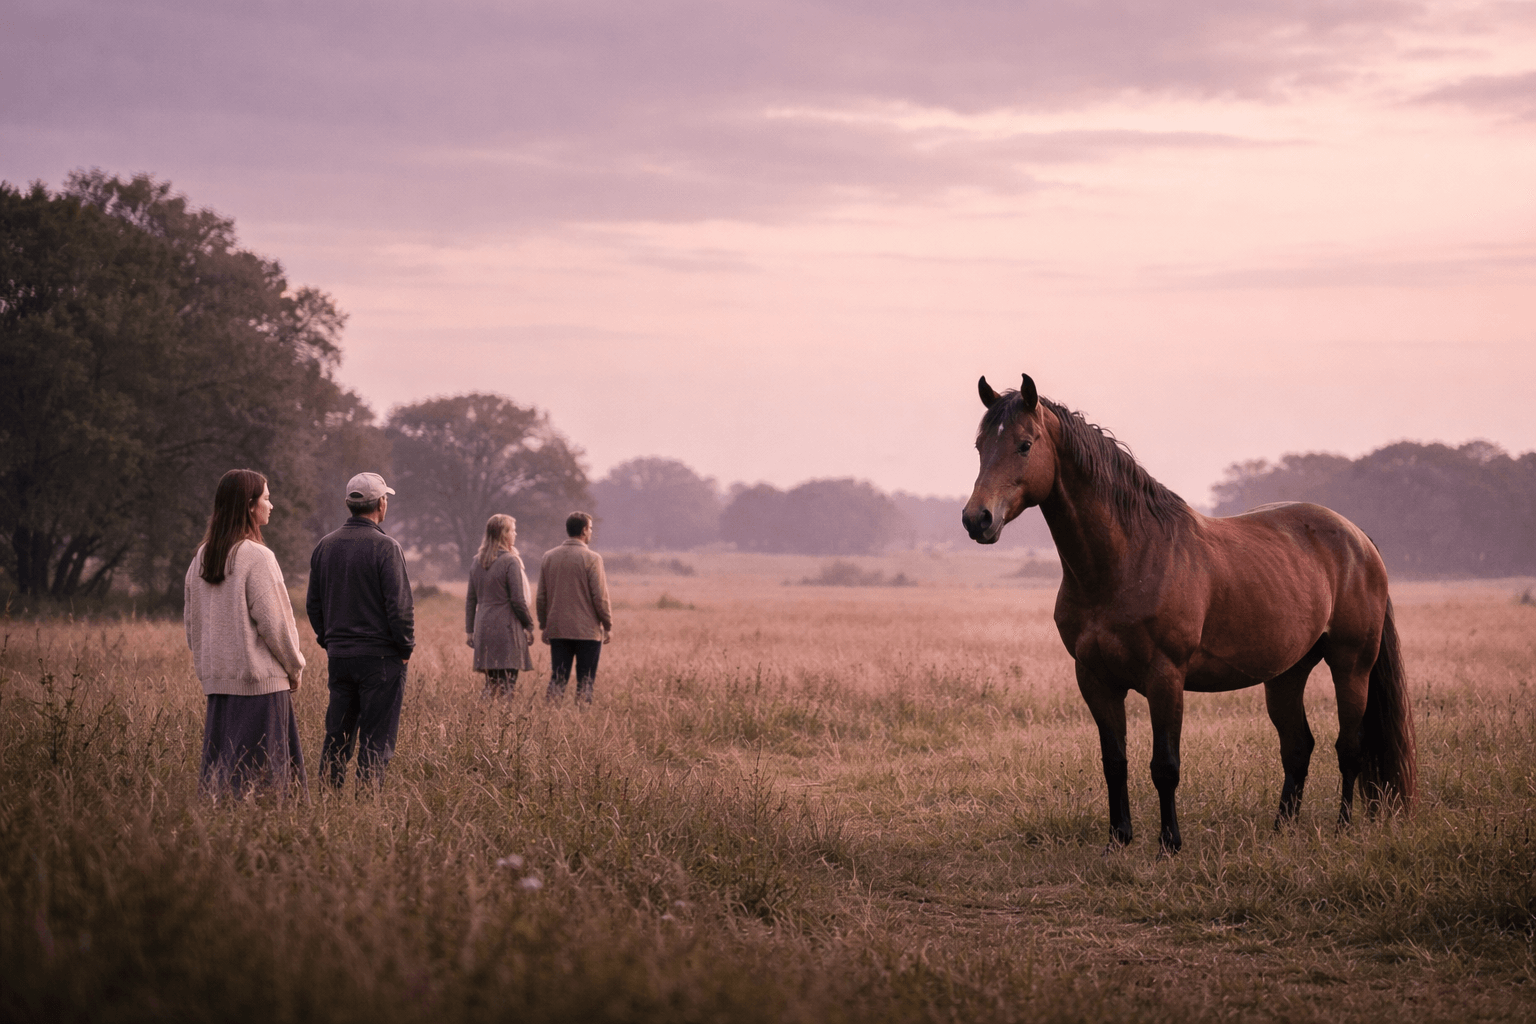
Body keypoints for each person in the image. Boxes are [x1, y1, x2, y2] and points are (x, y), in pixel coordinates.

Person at [184, 468, 307, 799]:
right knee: (264, 787)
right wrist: (294, 667)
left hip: (219, 689)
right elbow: (277, 625)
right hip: (260, 689)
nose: (271, 505)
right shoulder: (257, 556)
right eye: (266, 498)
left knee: (221, 786)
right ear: (250, 505)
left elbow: (192, 628)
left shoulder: (201, 557)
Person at [306, 472, 415, 788]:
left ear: (349, 504)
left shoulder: (325, 546)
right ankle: (368, 806)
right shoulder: (387, 547)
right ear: (381, 504)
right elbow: (400, 609)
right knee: (376, 740)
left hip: (340, 656)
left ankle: (329, 800)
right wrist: (405, 649)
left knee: (337, 734)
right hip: (381, 657)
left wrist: (329, 641)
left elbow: (314, 606)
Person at [536, 511, 613, 704]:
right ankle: (582, 717)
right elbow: (600, 597)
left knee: (558, 677)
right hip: (587, 631)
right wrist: (608, 625)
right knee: (586, 679)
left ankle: (550, 716)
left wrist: (544, 625)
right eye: (591, 528)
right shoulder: (593, 559)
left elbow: (541, 596)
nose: (591, 532)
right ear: (584, 530)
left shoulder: (549, 557)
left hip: (558, 629)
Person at [465, 514, 535, 697]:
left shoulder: (477, 561)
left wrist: (469, 630)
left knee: (491, 684)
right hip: (507, 629)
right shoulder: (510, 561)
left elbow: (471, 600)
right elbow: (518, 600)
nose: (515, 534)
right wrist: (529, 625)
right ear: (503, 534)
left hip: (484, 627)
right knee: (507, 686)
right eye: (512, 530)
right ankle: (501, 720)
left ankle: (484, 718)